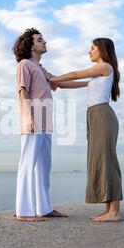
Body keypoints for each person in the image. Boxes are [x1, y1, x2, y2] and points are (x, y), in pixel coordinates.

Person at [12, 28, 87, 222]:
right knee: (27, 165)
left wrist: (90, 83)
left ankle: (44, 208)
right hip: (33, 123)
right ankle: (24, 211)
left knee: (44, 168)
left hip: (46, 125)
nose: (44, 42)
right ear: (30, 45)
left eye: (43, 39)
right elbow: (22, 91)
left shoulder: (41, 69)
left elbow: (60, 83)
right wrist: (28, 118)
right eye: (39, 39)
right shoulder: (24, 64)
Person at [49, 38, 122, 222]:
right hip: (95, 116)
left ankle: (114, 212)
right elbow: (74, 83)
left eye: (92, 48)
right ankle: (109, 210)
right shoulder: (97, 76)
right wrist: (55, 82)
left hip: (102, 115)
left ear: (102, 50)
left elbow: (75, 74)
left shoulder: (105, 67)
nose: (89, 51)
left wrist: (52, 78)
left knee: (107, 160)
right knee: (100, 160)